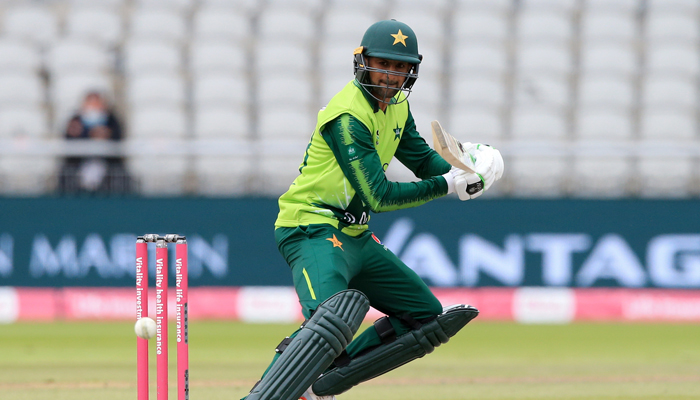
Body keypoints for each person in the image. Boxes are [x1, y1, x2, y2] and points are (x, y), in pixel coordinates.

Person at [244, 20, 504, 400]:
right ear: (362, 61)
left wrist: (468, 167)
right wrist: (449, 184)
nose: (391, 75)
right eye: (384, 63)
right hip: (312, 226)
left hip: (356, 234)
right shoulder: (347, 117)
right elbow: (378, 196)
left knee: (423, 316)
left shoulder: (398, 109)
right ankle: (266, 395)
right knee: (327, 321)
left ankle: (323, 381)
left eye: (401, 67)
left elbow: (422, 160)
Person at [58, 91, 131, 194]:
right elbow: (68, 141)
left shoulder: (112, 120)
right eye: (91, 104)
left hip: (107, 165)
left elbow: (118, 138)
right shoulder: (75, 120)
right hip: (79, 164)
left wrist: (107, 135)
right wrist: (84, 134)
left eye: (97, 104)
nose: (94, 108)